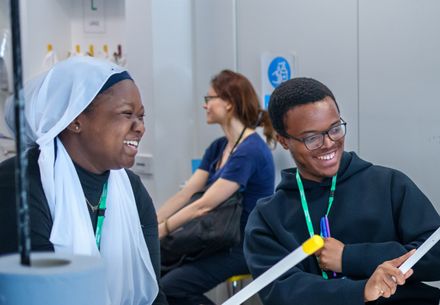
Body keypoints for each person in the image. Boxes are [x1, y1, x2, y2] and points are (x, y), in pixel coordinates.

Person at [244, 77, 440, 304]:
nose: (328, 143)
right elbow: (282, 292)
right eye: (312, 138)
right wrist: (361, 290)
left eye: (335, 129)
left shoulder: (389, 184)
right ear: (283, 141)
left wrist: (350, 257)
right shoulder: (268, 218)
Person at [0, 57, 165, 304]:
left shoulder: (132, 190)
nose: (139, 127)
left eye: (141, 117)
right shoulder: (19, 186)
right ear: (75, 120)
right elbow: (36, 293)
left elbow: (152, 292)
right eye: (126, 114)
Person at [155, 70, 276, 305]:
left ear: (229, 103)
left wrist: (161, 230)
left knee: (171, 288)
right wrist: (149, 224)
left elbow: (204, 205)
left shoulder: (250, 150)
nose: (205, 106)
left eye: (209, 99)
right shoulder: (218, 147)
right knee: (154, 274)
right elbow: (186, 193)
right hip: (217, 241)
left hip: (244, 247)